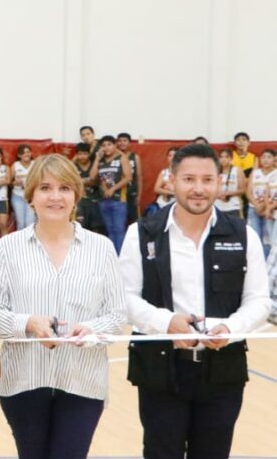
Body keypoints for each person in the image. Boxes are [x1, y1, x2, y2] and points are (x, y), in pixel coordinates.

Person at [118, 143, 271, 459]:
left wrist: (230, 327)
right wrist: (167, 323)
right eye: (189, 179)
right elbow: (125, 298)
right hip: (160, 371)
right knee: (162, 453)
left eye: (207, 180)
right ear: (172, 180)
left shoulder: (243, 235)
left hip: (223, 373)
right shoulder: (141, 233)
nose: (198, 189)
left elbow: (259, 301)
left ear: (219, 182)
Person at [0, 154, 125, 459]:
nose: (55, 196)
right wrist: (28, 323)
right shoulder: (8, 248)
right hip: (23, 381)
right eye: (45, 188)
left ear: (76, 195)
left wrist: (90, 329)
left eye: (64, 188)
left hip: (82, 382)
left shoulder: (102, 248)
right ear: (30, 195)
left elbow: (116, 315)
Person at [90, 135, 132, 252]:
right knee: (109, 230)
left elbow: (128, 177)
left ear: (115, 145)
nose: (106, 147)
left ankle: (121, 259)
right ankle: (112, 258)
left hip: (119, 200)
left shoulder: (121, 158)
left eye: (109, 144)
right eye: (103, 145)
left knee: (119, 230)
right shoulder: (101, 160)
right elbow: (92, 176)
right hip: (103, 200)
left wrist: (113, 189)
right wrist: (97, 159)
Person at [246, 149, 275, 257]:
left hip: (270, 210)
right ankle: (256, 262)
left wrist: (263, 207)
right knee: (255, 237)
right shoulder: (255, 173)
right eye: (263, 157)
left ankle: (267, 265)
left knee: (268, 240)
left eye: (269, 157)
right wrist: (257, 205)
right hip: (254, 209)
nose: (266, 160)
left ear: (274, 159)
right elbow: (248, 192)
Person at [72, 143, 103, 234]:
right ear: (76, 155)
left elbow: (94, 180)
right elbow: (71, 182)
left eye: (85, 154)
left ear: (89, 154)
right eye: (80, 154)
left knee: (96, 228)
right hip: (79, 202)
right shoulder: (73, 166)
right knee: (80, 228)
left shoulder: (95, 164)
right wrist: (86, 180)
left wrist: (80, 181)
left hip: (95, 200)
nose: (82, 157)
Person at [145, 147, 178, 218]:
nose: (172, 158)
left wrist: (166, 188)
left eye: (174, 155)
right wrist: (173, 192)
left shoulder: (182, 173)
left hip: (177, 204)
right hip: (162, 203)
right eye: (170, 155)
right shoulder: (164, 172)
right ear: (167, 157)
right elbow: (156, 189)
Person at [117, 133, 142, 224]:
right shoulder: (114, 157)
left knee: (134, 220)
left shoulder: (135, 157)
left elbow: (139, 177)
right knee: (119, 221)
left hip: (132, 192)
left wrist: (139, 195)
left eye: (125, 141)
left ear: (129, 143)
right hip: (118, 194)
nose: (122, 143)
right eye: (119, 141)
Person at [9, 144, 36, 230]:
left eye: (28, 152)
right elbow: (9, 182)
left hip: (31, 197)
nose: (26, 154)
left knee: (30, 222)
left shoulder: (35, 164)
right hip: (17, 196)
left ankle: (31, 242)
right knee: (20, 223)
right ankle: (20, 243)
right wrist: (15, 183)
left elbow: (41, 179)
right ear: (19, 155)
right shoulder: (15, 165)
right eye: (23, 153)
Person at [214, 147, 245, 218]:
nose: (223, 159)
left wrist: (228, 193)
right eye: (221, 157)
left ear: (231, 158)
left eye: (226, 157)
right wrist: (218, 195)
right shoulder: (215, 171)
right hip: (217, 206)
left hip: (233, 206)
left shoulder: (237, 170)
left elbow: (243, 189)